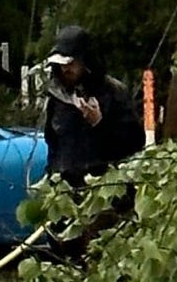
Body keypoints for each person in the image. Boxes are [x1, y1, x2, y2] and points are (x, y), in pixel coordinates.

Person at [40, 25, 142, 192]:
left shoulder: (112, 93)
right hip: (66, 193)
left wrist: (99, 123)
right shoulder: (58, 97)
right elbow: (54, 144)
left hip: (104, 190)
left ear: (84, 61)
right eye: (61, 64)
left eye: (71, 63)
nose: (66, 69)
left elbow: (134, 143)